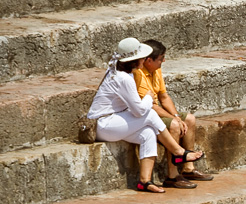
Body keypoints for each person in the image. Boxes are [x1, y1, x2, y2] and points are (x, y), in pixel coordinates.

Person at [87, 38, 205, 193]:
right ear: (135, 61)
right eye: (142, 57)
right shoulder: (124, 78)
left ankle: (145, 181)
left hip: (115, 120)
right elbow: (140, 111)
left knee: (148, 133)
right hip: (104, 124)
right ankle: (178, 152)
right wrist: (149, 97)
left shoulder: (119, 71)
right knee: (149, 115)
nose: (144, 59)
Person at [134, 39, 213, 187]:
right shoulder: (139, 75)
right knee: (175, 125)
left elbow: (164, 97)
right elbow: (151, 107)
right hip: (146, 116)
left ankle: (188, 168)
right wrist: (174, 120)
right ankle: (172, 174)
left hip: (157, 112)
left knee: (189, 119)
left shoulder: (156, 70)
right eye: (161, 58)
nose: (163, 61)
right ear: (149, 60)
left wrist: (176, 116)